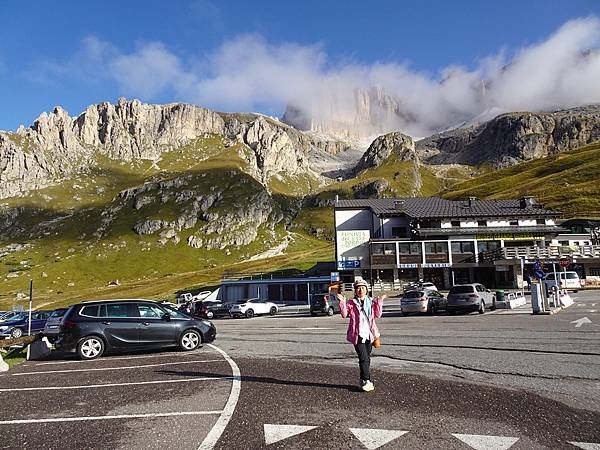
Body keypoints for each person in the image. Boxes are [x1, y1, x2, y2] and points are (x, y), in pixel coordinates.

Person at [337, 279, 386, 392]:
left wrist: (379, 302)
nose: (361, 290)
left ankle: (362, 380)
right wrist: (342, 302)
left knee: (366, 359)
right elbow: (344, 315)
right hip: (357, 334)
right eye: (358, 288)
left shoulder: (371, 301)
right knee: (363, 358)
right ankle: (367, 381)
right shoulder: (351, 303)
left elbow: (378, 315)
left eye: (363, 288)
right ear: (355, 290)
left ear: (366, 290)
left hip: (369, 334)